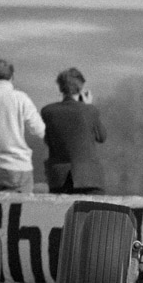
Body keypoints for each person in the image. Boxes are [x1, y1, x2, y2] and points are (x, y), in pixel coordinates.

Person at [0, 59, 45, 193]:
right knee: (19, 211)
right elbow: (39, 130)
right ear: (12, 76)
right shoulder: (21, 98)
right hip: (19, 167)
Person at [40, 67, 107, 195]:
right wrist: (87, 105)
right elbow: (102, 137)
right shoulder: (89, 111)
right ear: (80, 88)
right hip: (89, 178)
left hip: (59, 179)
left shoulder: (47, 112)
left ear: (60, 88)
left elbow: (48, 140)